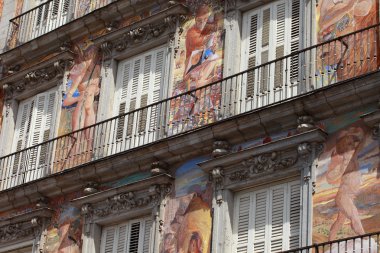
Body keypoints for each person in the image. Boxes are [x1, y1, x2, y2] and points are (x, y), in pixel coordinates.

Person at [62, 44, 101, 164]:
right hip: (80, 109)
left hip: (89, 110)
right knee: (76, 138)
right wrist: (79, 97)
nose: (87, 60)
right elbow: (66, 101)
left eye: (89, 57)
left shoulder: (100, 70)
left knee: (90, 142)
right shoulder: (80, 76)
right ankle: (72, 160)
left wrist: (96, 89)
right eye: (86, 57)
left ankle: (90, 155)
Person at [326, 126, 367, 240]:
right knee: (354, 215)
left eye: (352, 143)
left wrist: (355, 132)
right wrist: (336, 165)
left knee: (340, 221)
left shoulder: (351, 158)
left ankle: (330, 242)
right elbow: (329, 178)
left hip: (348, 196)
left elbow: (361, 142)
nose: (353, 145)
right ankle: (365, 239)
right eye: (349, 144)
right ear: (343, 147)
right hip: (344, 196)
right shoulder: (347, 159)